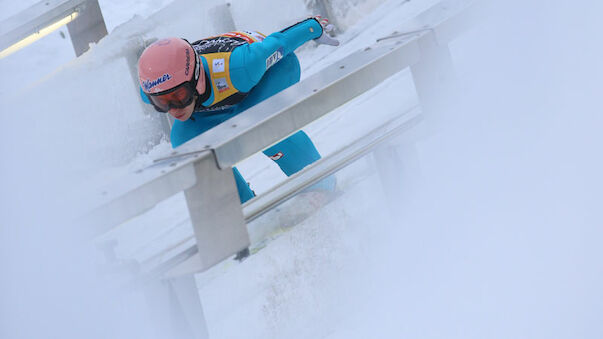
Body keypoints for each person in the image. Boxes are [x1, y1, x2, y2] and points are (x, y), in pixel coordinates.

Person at [138, 16, 339, 204]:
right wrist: (177, 98)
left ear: (196, 79)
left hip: (270, 73)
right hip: (215, 98)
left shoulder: (240, 68)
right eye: (162, 103)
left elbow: (279, 42)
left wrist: (313, 26)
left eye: (179, 97)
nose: (173, 109)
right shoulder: (152, 86)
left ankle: (320, 184)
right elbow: (168, 94)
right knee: (186, 145)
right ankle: (242, 207)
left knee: (261, 126)